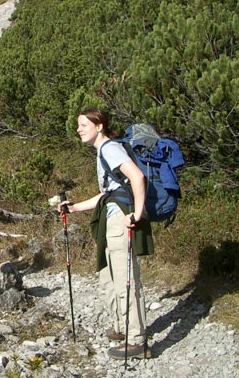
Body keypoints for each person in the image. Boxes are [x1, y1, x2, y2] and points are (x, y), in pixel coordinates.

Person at [58, 108, 152, 360]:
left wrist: (137, 214)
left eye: (83, 124)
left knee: (124, 278)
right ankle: (121, 327)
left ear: (99, 126)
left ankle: (136, 340)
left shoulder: (109, 148)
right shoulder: (104, 151)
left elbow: (137, 176)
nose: (78, 129)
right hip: (111, 217)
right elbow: (110, 192)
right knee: (109, 275)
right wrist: (75, 207)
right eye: (78, 125)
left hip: (121, 220)